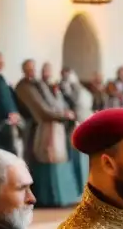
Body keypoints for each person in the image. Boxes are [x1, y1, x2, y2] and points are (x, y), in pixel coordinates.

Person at [14, 59, 79, 207]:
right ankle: (39, 199)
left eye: (33, 68)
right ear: (24, 70)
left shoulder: (36, 83)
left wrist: (62, 113)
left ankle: (49, 198)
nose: (32, 71)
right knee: (33, 163)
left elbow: (51, 104)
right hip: (32, 129)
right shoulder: (24, 87)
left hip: (44, 128)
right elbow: (41, 110)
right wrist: (63, 116)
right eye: (29, 69)